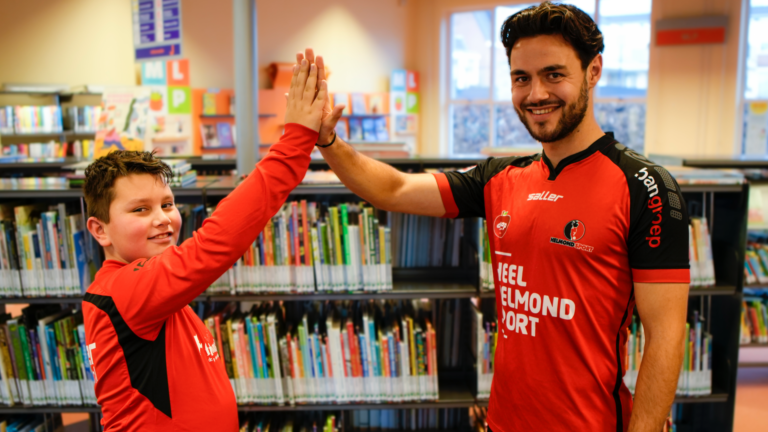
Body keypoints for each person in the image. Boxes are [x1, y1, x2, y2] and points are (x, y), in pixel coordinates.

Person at [305, 3, 690, 431]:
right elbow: (392, 189)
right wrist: (329, 141)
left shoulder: (646, 187)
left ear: (593, 71)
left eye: (554, 74)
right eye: (521, 79)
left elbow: (666, 336)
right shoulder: (500, 177)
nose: (536, 94)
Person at [81, 59, 328, 431]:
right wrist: (295, 141)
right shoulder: (124, 289)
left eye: (167, 204)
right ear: (100, 231)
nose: (163, 219)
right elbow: (217, 242)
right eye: (140, 209)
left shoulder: (151, 288)